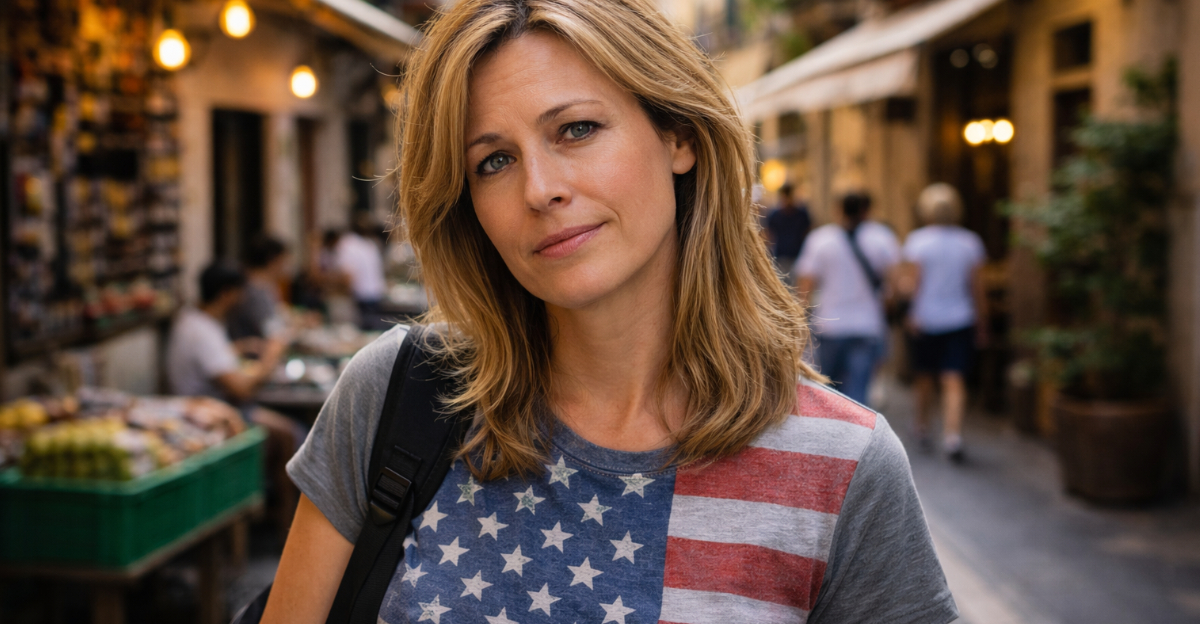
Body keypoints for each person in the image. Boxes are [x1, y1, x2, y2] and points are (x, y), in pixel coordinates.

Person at [263, 1, 956, 623]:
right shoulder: (398, 397)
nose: (540, 189)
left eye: (576, 129)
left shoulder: (843, 467)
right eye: (494, 161)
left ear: (678, 136)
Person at [166, 263, 303, 530]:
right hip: (209, 415)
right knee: (289, 434)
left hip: (209, 404)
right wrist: (271, 354)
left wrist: (238, 348)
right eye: (239, 293)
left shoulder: (192, 319)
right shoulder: (203, 331)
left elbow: (214, 361)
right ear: (227, 294)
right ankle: (286, 525)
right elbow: (240, 389)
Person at [903, 183, 988, 463]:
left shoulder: (917, 241)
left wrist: (910, 313)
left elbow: (914, 284)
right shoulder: (970, 242)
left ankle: (922, 426)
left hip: (926, 318)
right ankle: (953, 436)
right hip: (960, 318)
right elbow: (978, 288)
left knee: (925, 377)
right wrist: (982, 324)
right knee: (954, 379)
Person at [795, 193, 901, 405]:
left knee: (828, 392)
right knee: (858, 394)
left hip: (829, 325)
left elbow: (804, 288)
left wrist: (800, 322)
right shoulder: (882, 238)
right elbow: (895, 285)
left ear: (839, 209)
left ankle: (830, 434)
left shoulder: (820, 239)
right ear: (867, 210)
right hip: (867, 326)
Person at [228, 235, 290, 342]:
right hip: (256, 354)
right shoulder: (253, 291)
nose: (285, 267)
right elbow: (273, 333)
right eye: (283, 261)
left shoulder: (261, 286)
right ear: (273, 261)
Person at [335, 215, 388, 330]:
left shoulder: (348, 244)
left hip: (361, 297)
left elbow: (347, 276)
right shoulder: (371, 244)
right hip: (375, 295)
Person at [764, 183, 812, 283]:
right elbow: (769, 234)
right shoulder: (775, 214)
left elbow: (807, 232)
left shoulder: (801, 214)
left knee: (795, 286)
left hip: (797, 256)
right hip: (781, 256)